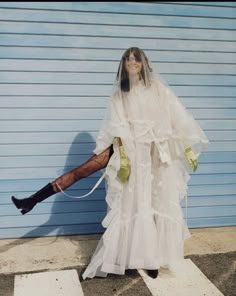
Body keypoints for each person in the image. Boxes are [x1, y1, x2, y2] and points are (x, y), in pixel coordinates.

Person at [11, 47, 209, 280]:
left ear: (144, 63)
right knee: (94, 178)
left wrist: (185, 147)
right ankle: (32, 200)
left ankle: (152, 259)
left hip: (155, 154)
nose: (132, 62)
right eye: (128, 59)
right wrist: (121, 152)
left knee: (154, 203)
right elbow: (115, 126)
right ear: (123, 64)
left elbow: (177, 117)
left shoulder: (158, 89)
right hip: (128, 150)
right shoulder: (119, 95)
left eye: (136, 59)